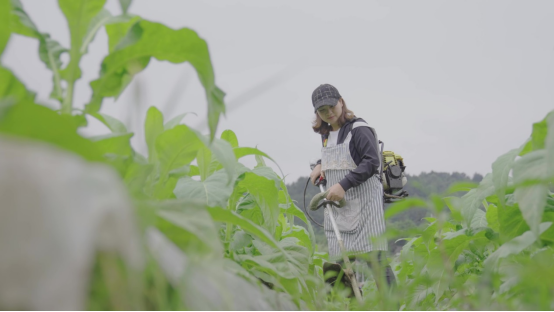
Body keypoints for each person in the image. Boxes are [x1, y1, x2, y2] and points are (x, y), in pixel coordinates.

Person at [309, 84, 396, 291]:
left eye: (331, 106)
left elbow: (371, 162)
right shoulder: (327, 134)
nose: (329, 113)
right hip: (340, 211)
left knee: (376, 260)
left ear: (341, 101)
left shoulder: (359, 129)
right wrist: (320, 165)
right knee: (340, 266)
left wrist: (343, 185)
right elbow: (335, 157)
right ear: (317, 113)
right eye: (322, 110)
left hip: (365, 209)